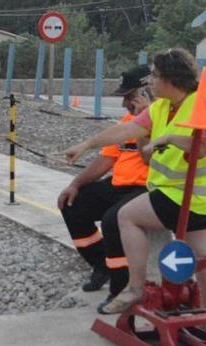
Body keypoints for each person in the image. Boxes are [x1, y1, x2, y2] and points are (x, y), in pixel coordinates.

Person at [62, 48, 206, 315]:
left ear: (170, 79)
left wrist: (169, 139)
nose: (151, 81)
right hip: (183, 194)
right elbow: (126, 130)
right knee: (202, 255)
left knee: (126, 217)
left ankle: (136, 288)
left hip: (189, 196)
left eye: (155, 75)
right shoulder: (162, 107)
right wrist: (87, 144)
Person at [57, 65, 152, 302]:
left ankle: (120, 289)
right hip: (118, 185)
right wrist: (75, 185)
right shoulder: (128, 119)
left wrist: (145, 124)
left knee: (113, 220)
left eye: (129, 97)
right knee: (73, 205)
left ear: (146, 91)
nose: (124, 104)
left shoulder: (159, 118)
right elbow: (106, 159)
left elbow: (147, 157)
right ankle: (102, 265)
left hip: (146, 189)